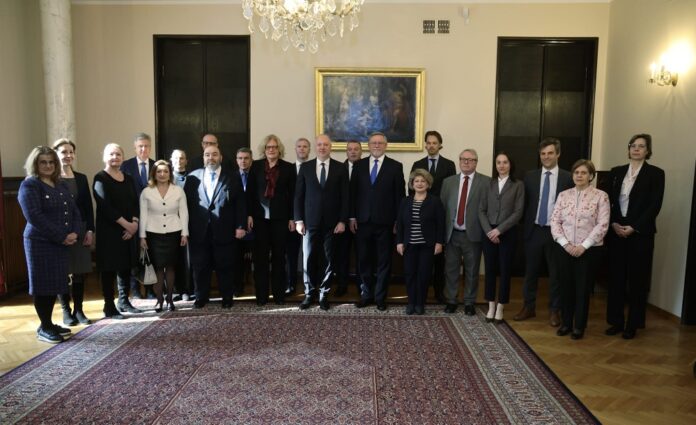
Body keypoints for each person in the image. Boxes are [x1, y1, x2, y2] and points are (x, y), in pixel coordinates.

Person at [18, 146, 81, 343]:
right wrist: (62, 236)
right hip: (40, 243)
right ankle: (44, 326)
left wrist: (75, 232)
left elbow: (74, 211)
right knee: (42, 285)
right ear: (35, 164)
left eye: (51, 162)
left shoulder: (60, 184)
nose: (48, 165)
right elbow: (34, 216)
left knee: (55, 284)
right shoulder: (30, 185)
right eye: (43, 162)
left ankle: (48, 323)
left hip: (60, 243)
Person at [606, 134, 665, 340]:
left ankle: (633, 324)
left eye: (641, 146)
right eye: (633, 145)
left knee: (637, 281)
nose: (636, 149)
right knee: (616, 279)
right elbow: (608, 201)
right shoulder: (616, 172)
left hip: (640, 234)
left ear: (648, 150)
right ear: (629, 148)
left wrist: (634, 227)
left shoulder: (656, 174)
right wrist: (613, 223)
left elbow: (655, 205)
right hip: (616, 231)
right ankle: (615, 321)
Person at [514, 137, 573, 326]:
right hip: (534, 231)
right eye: (543, 154)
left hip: (557, 233)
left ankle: (555, 310)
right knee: (530, 272)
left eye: (550, 153)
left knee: (556, 274)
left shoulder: (567, 177)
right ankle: (528, 307)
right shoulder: (530, 176)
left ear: (558, 154)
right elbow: (524, 204)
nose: (546, 157)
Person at [551, 159, 609, 340]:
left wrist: (584, 246)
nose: (579, 176)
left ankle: (579, 326)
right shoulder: (563, 195)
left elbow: (603, 224)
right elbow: (555, 221)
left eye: (584, 173)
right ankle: (566, 323)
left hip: (588, 251)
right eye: (576, 172)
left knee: (582, 289)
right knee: (565, 286)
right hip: (565, 248)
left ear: (591, 176)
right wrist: (565, 244)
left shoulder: (601, 196)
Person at [184, 145, 246, 309]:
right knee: (200, 266)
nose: (211, 158)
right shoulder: (192, 177)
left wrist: (240, 226)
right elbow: (186, 206)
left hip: (225, 230)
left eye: (214, 154)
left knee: (225, 266)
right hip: (199, 230)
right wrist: (185, 229)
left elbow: (240, 203)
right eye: (207, 155)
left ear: (221, 157)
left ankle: (227, 297)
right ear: (203, 157)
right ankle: (200, 297)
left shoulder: (232, 177)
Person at [350, 132, 405, 311]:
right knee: (363, 260)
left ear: (386, 146)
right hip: (362, 222)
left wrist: (398, 221)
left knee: (384, 261)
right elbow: (352, 193)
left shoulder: (395, 166)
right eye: (373, 143)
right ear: (368, 145)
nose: (376, 145)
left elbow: (399, 196)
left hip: (386, 223)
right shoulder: (358, 166)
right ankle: (366, 295)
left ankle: (380, 297)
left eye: (380, 143)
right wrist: (352, 217)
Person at [294, 134, 349, 311]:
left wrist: (342, 220)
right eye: (319, 144)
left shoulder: (341, 168)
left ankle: (324, 294)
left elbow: (345, 198)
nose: (322, 147)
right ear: (315, 147)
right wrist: (298, 220)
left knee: (328, 260)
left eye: (326, 144)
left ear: (330, 147)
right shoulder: (305, 167)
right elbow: (298, 196)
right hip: (309, 222)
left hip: (332, 224)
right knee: (308, 258)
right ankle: (309, 293)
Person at [93, 143, 141, 319]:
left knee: (125, 267)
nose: (115, 157)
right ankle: (109, 305)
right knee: (109, 269)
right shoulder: (100, 178)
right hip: (109, 232)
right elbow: (105, 207)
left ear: (123, 157)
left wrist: (134, 223)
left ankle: (124, 301)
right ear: (104, 157)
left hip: (128, 230)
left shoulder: (128, 178)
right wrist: (127, 225)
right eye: (111, 154)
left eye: (118, 154)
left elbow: (135, 202)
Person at [441, 149, 490, 315]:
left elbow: (488, 209)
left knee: (472, 270)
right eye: (463, 159)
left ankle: (469, 302)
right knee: (451, 270)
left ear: (476, 162)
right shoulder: (448, 182)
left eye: (470, 159)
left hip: (473, 234)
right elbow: (443, 208)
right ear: (459, 161)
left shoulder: (486, 182)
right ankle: (451, 300)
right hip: (452, 234)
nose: (466, 162)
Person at [248, 135, 296, 305]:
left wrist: (292, 217)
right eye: (268, 147)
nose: (271, 150)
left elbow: (293, 195)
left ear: (279, 149)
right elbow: (250, 192)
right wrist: (249, 214)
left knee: (279, 258)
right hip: (260, 219)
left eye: (274, 147)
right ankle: (261, 296)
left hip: (280, 219)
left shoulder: (288, 168)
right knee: (260, 259)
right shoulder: (256, 166)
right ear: (264, 149)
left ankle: (278, 295)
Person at [410, 130, 456, 303]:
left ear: (440, 145)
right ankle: (420, 292)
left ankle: (439, 292)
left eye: (434, 143)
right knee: (421, 257)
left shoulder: (449, 165)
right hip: (421, 216)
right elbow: (411, 189)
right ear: (425, 145)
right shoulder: (418, 163)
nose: (431, 146)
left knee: (439, 257)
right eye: (428, 143)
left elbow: (451, 191)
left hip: (440, 214)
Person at [53, 139, 95, 326]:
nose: (68, 155)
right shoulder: (51, 179)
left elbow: (88, 207)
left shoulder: (81, 178)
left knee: (79, 272)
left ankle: (79, 310)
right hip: (60, 232)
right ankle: (65, 311)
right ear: (56, 154)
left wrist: (90, 230)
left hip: (80, 229)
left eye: (71, 152)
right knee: (62, 271)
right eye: (64, 152)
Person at [478, 152, 524, 323]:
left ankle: (501, 306)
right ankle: (490, 304)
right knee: (489, 269)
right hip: (488, 232)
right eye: (499, 162)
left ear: (510, 165)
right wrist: (489, 231)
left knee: (505, 270)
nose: (502, 165)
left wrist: (499, 230)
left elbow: (518, 212)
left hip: (508, 232)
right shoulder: (488, 184)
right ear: (495, 165)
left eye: (505, 162)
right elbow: (481, 210)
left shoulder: (518, 185)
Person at [139, 160, 189, 312]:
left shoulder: (178, 190)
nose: (162, 174)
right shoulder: (146, 192)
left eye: (165, 171)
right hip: (153, 234)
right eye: (159, 171)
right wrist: (142, 236)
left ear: (170, 173)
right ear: (154, 174)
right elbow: (143, 214)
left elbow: (184, 212)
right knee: (159, 268)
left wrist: (184, 233)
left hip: (174, 233)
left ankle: (170, 299)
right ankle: (159, 300)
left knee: (171, 267)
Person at [396, 169, 445, 315]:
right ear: (412, 184)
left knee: (424, 275)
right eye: (416, 181)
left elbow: (441, 224)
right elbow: (400, 224)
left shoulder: (435, 201)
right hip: (409, 245)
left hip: (427, 245)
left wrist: (439, 242)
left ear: (428, 184)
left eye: (423, 181)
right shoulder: (405, 201)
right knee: (410, 274)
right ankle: (411, 302)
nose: (419, 183)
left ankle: (420, 303)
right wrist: (399, 242)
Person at [119, 132, 156, 299]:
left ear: (150, 147)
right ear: (135, 148)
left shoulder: (156, 166)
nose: (143, 149)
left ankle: (150, 289)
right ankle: (134, 290)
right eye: (140, 146)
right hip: (132, 217)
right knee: (133, 254)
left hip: (153, 217)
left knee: (150, 253)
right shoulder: (125, 166)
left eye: (146, 146)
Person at [334, 140, 363, 297]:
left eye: (356, 149)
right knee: (342, 255)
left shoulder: (366, 167)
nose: (353, 152)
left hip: (362, 220)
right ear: (346, 151)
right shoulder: (338, 168)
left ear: (361, 151)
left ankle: (361, 286)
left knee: (362, 255)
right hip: (342, 220)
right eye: (350, 149)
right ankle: (342, 285)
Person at [286, 137, 310, 295]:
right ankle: (291, 284)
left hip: (311, 217)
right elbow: (287, 196)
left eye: (305, 146)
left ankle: (311, 286)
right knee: (291, 254)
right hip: (292, 219)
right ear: (295, 149)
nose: (302, 149)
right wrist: (292, 218)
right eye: (299, 146)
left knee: (311, 254)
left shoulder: (313, 167)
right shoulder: (288, 169)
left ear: (309, 150)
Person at [170, 148, 194, 301]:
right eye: (176, 158)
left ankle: (187, 289)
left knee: (187, 259)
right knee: (172, 257)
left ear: (186, 161)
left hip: (188, 224)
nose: (179, 161)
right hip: (169, 224)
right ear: (171, 161)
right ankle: (174, 289)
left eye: (182, 158)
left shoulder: (193, 178)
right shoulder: (165, 177)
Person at [234, 147, 254, 297]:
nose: (243, 161)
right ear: (236, 160)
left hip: (255, 222)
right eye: (240, 158)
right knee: (237, 257)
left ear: (251, 160)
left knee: (257, 256)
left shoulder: (257, 175)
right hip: (237, 223)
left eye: (246, 158)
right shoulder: (230, 176)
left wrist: (251, 214)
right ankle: (237, 287)